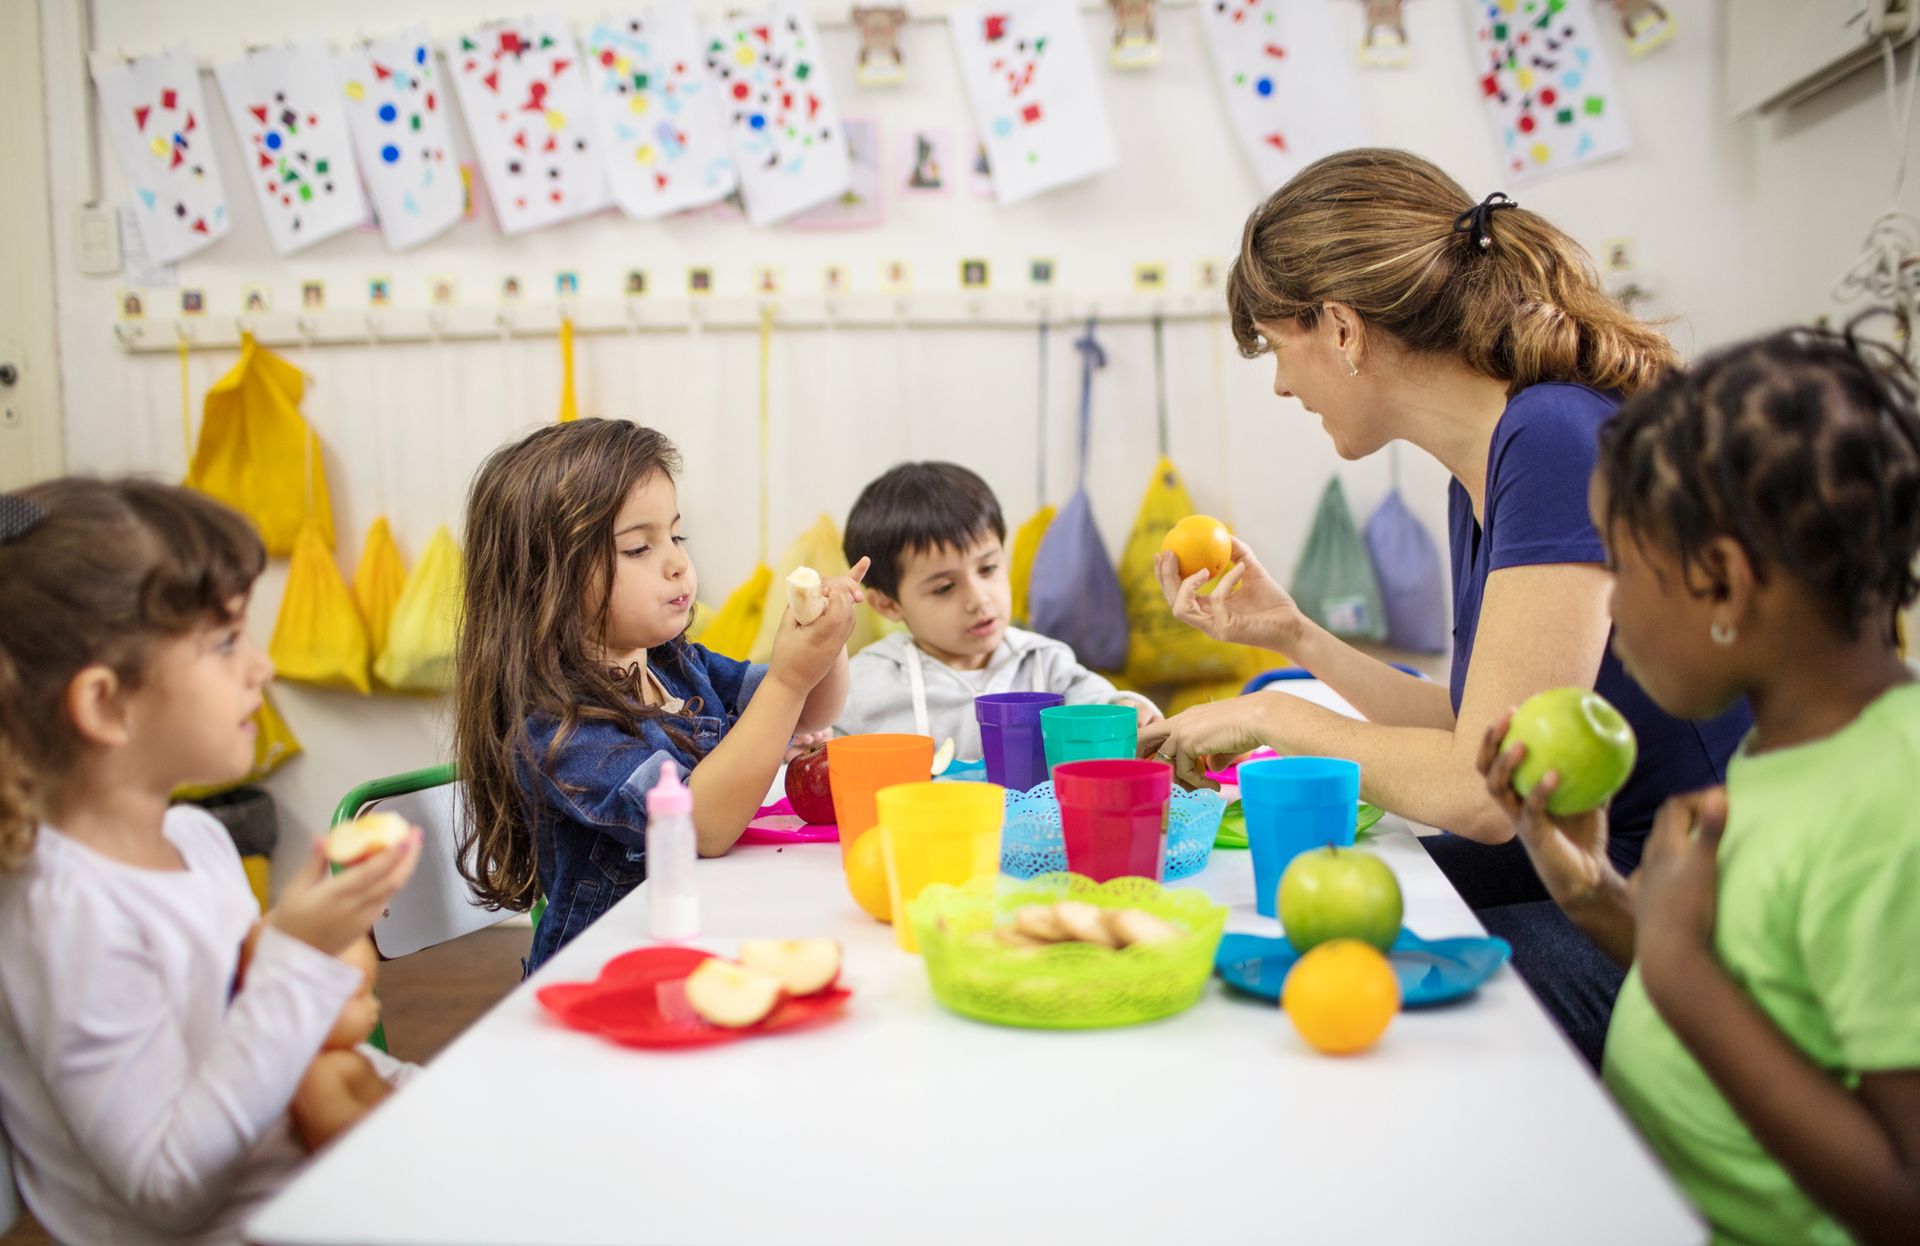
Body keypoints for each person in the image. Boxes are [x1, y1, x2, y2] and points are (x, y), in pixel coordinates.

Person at [1140, 148, 1750, 1066]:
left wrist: (1270, 713)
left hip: (1689, 913)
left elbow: (1480, 794)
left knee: (1314, 998)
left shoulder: (1550, 440)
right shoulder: (1491, 460)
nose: (1279, 384)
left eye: (1279, 347)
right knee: (1282, 938)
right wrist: (1296, 637)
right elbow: (1487, 727)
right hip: (1603, 860)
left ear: (1342, 329)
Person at [1479, 321, 1920, 1246]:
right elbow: (1778, 1006)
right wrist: (1602, 899)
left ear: (1719, 583)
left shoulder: (1891, 811)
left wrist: (1676, 966)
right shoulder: (1796, 747)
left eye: (1620, 567)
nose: (1609, 607)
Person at [0, 479, 421, 1245]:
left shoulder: (196, 839)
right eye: (225, 642)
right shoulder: (64, 912)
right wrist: (293, 956)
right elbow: (166, 1193)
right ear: (104, 704)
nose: (260, 668)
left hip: (323, 1189)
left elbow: (264, 1050)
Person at [453, 419, 864, 974]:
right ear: (545, 581)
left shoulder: (674, 664)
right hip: (604, 974)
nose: (676, 562)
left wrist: (825, 638)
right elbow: (703, 825)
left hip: (700, 940)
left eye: (676, 537)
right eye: (639, 547)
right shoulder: (560, 729)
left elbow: (814, 710)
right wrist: (790, 679)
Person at [836, 461, 1159, 755]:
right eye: (944, 588)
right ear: (888, 604)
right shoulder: (866, 681)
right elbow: (822, 752)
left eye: (988, 569)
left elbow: (1102, 705)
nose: (979, 599)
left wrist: (1130, 709)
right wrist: (808, 744)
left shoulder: (1044, 662)